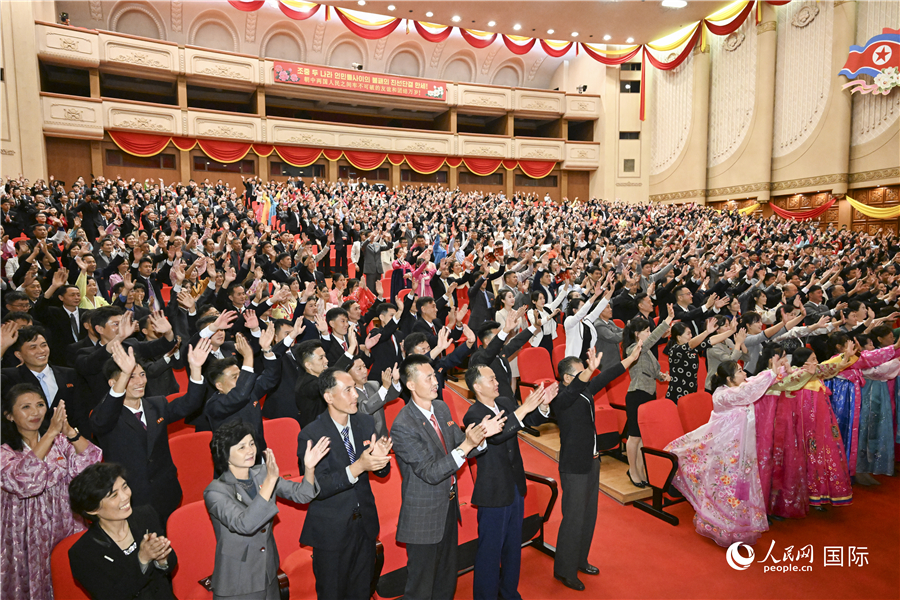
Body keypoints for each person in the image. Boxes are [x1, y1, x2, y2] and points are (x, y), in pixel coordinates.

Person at [390, 354, 504, 600]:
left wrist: (479, 437)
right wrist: (467, 446)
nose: (435, 381)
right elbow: (430, 472)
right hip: (423, 513)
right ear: (410, 384)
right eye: (429, 377)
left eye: (434, 375)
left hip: (448, 505)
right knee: (420, 587)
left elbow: (458, 442)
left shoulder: (441, 407)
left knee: (446, 578)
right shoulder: (403, 425)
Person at [665, 358, 789, 547]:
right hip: (726, 454)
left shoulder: (738, 389)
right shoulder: (722, 395)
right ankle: (720, 527)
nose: (744, 373)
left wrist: (779, 370)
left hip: (742, 452)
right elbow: (748, 391)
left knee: (741, 489)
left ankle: (739, 528)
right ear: (729, 379)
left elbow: (753, 382)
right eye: (740, 371)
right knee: (726, 489)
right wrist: (771, 373)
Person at [204, 420, 330, 600]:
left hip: (268, 573)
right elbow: (245, 524)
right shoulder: (215, 491)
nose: (250, 451)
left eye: (251, 444)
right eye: (241, 447)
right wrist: (270, 482)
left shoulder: (261, 472)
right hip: (238, 583)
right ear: (225, 455)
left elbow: (302, 495)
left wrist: (309, 468)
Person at [89, 339, 210, 527]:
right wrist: (124, 374)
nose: (140, 382)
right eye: (131, 376)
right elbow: (100, 423)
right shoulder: (105, 414)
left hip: (165, 491)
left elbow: (190, 403)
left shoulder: (157, 404)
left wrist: (195, 368)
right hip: (131, 498)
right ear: (114, 382)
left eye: (142, 374)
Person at [297, 368, 393, 600]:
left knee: (361, 592)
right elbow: (318, 487)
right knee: (333, 593)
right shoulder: (312, 434)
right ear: (328, 397)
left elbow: (382, 470)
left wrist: (380, 460)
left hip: (365, 525)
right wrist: (358, 467)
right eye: (347, 390)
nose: (356, 395)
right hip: (332, 531)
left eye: (354, 389)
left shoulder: (365, 421)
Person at [552, 345, 642, 591]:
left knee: (588, 516)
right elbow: (570, 395)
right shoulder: (562, 397)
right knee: (573, 518)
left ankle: (580, 560)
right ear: (568, 377)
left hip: (592, 461)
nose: (588, 375)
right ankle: (564, 570)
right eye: (582, 372)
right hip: (574, 466)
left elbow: (605, 376)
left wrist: (630, 360)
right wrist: (588, 372)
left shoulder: (583, 390)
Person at [1, 384, 102, 600]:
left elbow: (91, 463)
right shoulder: (5, 452)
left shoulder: (59, 442)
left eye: (39, 405)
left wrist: (70, 433)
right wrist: (50, 433)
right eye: (26, 407)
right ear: (9, 415)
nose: (35, 412)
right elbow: (23, 481)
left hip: (65, 522)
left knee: (69, 578)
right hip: (25, 531)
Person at [463, 365, 555, 600]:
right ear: (477, 386)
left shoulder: (504, 402)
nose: (497, 382)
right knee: (490, 552)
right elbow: (497, 436)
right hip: (493, 491)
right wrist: (524, 408)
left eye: (496, 377)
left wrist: (542, 406)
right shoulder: (472, 414)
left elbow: (525, 420)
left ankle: (509, 593)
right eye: (491, 379)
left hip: (515, 485)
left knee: (513, 547)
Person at [68, 463, 176, 600]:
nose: (125, 496)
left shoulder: (146, 516)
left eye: (125, 487)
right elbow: (112, 596)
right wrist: (142, 560)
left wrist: (162, 559)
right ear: (92, 509)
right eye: (114, 496)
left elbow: (169, 567)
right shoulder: (83, 553)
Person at [621, 309, 675, 487]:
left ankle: (640, 469)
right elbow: (649, 342)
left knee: (643, 436)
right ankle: (633, 471)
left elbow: (650, 370)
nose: (649, 334)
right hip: (637, 394)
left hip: (649, 394)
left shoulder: (646, 351)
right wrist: (666, 321)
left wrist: (662, 376)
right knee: (634, 436)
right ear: (637, 334)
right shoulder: (633, 348)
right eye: (646, 331)